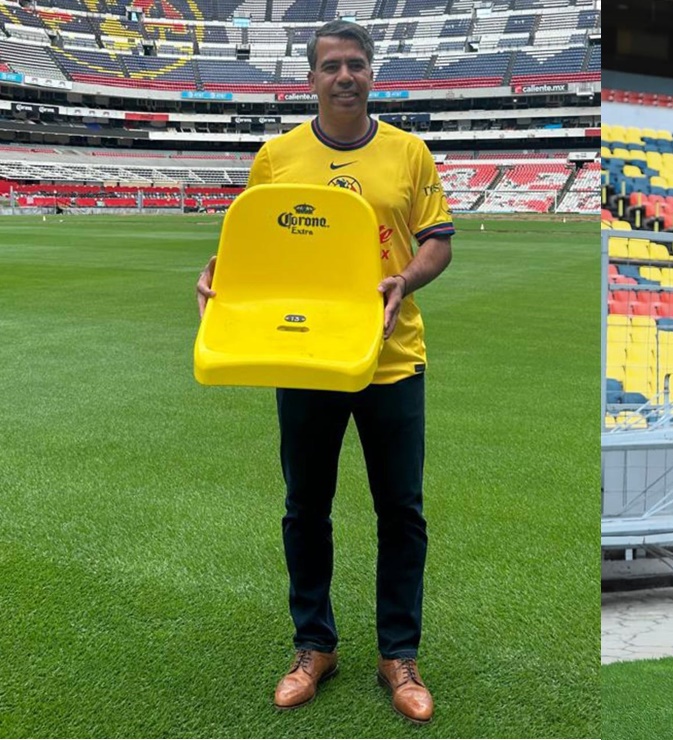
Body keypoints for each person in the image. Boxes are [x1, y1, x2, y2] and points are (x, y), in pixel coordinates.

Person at [195, 19, 453, 724]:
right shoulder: (277, 157)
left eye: (356, 64)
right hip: (304, 358)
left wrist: (405, 278)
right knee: (304, 508)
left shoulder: (409, 152)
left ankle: (398, 655)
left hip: (391, 358)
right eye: (331, 66)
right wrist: (218, 279)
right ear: (309, 79)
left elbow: (437, 242)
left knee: (400, 510)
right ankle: (315, 646)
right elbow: (249, 246)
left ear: (373, 74)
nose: (344, 75)